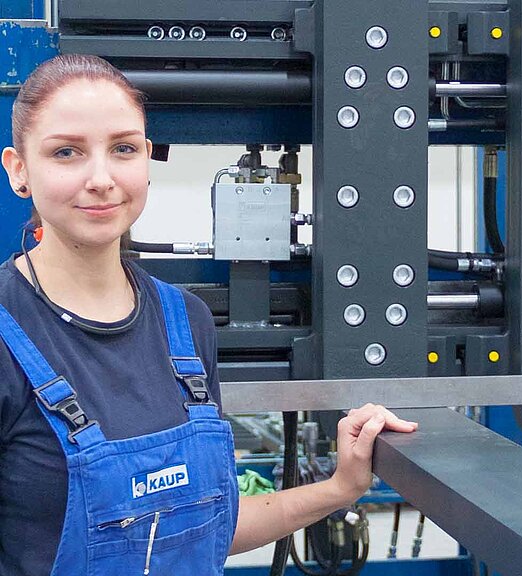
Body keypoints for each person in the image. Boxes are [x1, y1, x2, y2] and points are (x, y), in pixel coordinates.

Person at [0, 54, 418, 576]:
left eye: (124, 149)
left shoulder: (186, 323)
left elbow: (206, 526)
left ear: (147, 159)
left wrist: (340, 488)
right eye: (67, 152)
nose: (102, 178)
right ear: (19, 170)